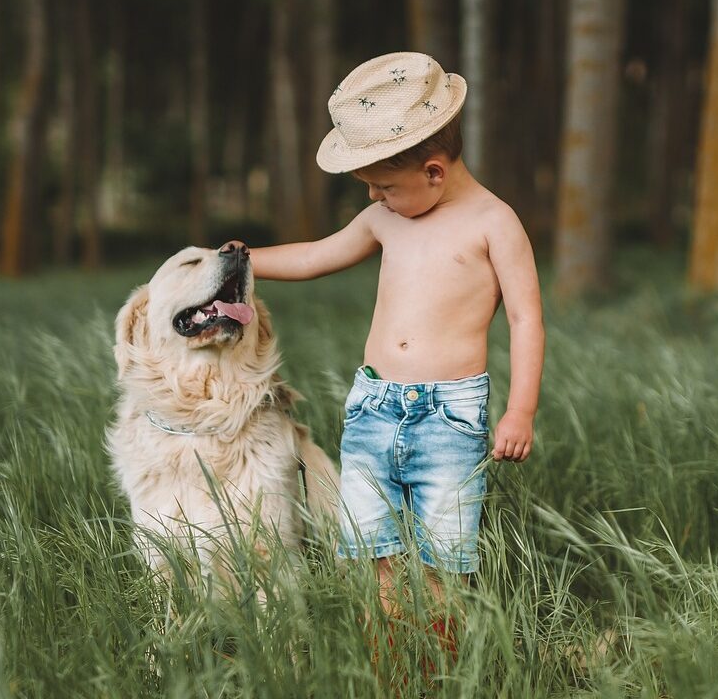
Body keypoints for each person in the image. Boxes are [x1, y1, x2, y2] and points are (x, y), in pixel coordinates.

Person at [228, 51, 544, 669]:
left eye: (384, 186)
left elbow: (525, 319)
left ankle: (438, 669)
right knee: (373, 549)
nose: (374, 197)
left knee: (443, 557)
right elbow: (316, 255)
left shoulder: (493, 223)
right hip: (373, 409)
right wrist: (244, 260)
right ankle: (388, 667)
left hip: (448, 417)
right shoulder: (386, 218)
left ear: (434, 171)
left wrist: (521, 410)